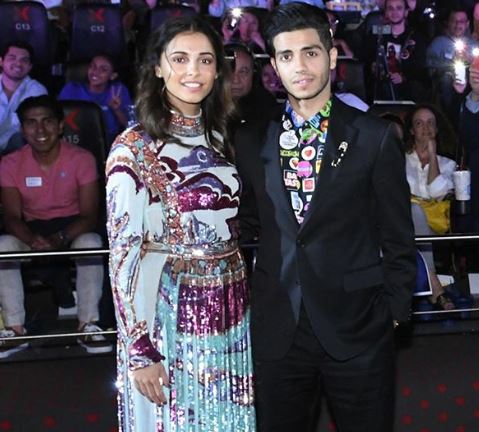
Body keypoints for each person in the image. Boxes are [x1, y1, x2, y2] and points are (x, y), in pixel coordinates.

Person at [234, 4, 416, 431]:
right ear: (274, 66)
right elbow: (248, 225)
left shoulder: (372, 136)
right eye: (287, 56)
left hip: (358, 328)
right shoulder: (250, 139)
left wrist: (394, 312)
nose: (300, 66)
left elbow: (398, 236)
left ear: (332, 57)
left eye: (311, 53)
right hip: (279, 331)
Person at [105, 16, 255, 431]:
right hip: (165, 313)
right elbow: (123, 254)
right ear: (157, 67)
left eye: (206, 60)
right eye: (181, 58)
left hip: (229, 307)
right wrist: (139, 349)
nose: (194, 71)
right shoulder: (132, 147)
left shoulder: (222, 137)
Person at [0, 95, 110, 358]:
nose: (40, 130)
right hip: (32, 228)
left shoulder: (82, 159)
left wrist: (59, 238)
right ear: (22, 129)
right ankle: (15, 328)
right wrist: (35, 240)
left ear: (61, 126)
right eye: (31, 123)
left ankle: (88, 324)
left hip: (72, 228)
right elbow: (12, 217)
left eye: (47, 121)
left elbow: (90, 214)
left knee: (91, 243)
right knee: (3, 245)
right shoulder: (9, 163)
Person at [404, 104, 457, 310]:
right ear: (411, 130)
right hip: (404, 225)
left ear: (436, 129)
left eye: (430, 123)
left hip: (435, 225)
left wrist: (432, 155)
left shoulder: (447, 164)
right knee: (413, 210)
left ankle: (431, 284)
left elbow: (437, 193)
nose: (425, 128)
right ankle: (435, 285)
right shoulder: (400, 159)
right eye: (419, 123)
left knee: (416, 210)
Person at [58, 54, 132, 145]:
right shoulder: (71, 89)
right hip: (73, 141)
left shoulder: (117, 91)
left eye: (103, 69)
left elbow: (130, 126)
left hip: (107, 145)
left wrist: (116, 110)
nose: (95, 72)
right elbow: (56, 118)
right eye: (92, 66)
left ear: (112, 75)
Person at [363, 0, 428, 101]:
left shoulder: (415, 37)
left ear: (406, 12)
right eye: (390, 8)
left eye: (399, 8)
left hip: (407, 89)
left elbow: (419, 67)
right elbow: (365, 55)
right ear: (385, 12)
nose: (394, 12)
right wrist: (372, 65)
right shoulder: (376, 32)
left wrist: (403, 77)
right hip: (380, 87)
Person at [0, 41, 48, 155]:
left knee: (22, 138)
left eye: (24, 60)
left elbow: (33, 129)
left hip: (16, 150)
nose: (18, 64)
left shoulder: (38, 91)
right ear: (1, 61)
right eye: (12, 58)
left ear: (30, 66)